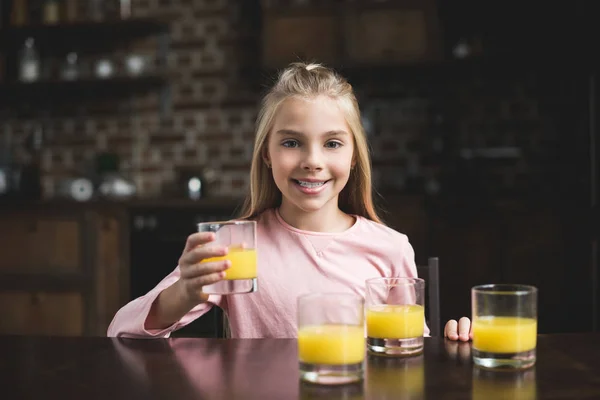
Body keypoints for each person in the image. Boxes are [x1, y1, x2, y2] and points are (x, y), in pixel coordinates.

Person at [107, 62, 471, 341]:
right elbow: (122, 332)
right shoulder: (234, 247)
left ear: (354, 157)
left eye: (332, 143)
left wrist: (453, 342)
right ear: (266, 154)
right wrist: (186, 291)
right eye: (291, 142)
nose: (312, 161)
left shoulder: (390, 248)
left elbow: (410, 351)